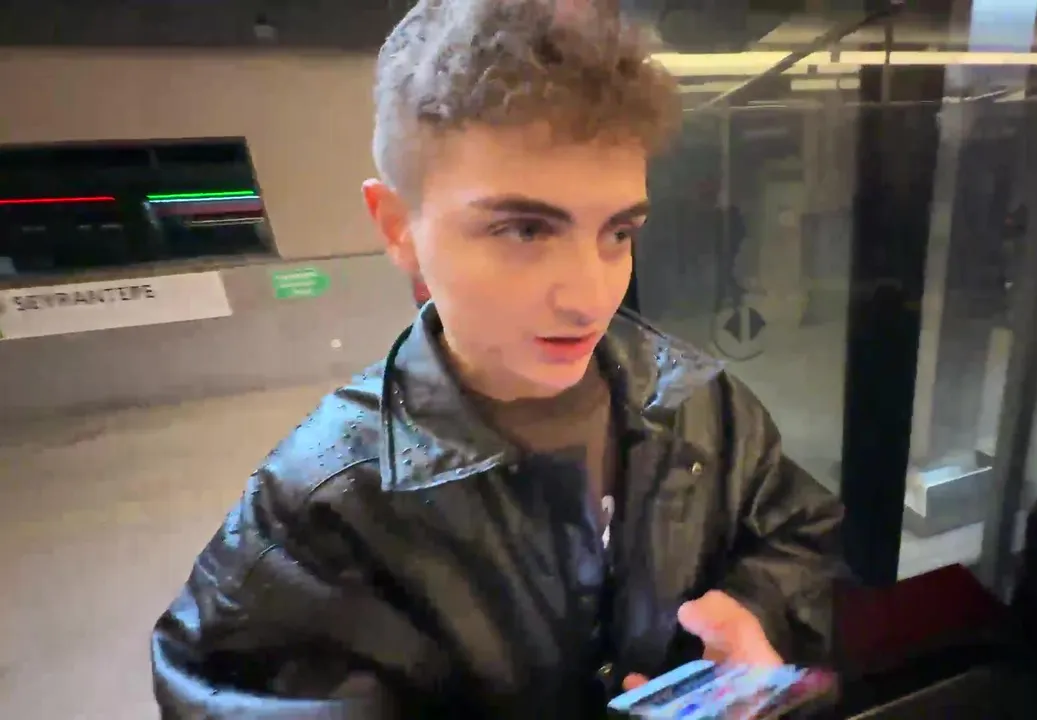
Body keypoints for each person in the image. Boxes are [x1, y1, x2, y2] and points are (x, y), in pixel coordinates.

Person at [150, 1, 848, 717]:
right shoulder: (320, 515)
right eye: (525, 230)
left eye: (617, 233)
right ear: (398, 226)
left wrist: (753, 611)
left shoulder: (698, 402)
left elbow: (799, 533)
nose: (590, 297)